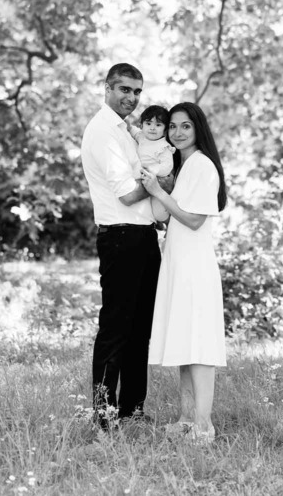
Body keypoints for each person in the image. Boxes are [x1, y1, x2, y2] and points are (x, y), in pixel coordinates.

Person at [80, 63, 163, 430]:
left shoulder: (128, 131)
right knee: (115, 329)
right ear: (107, 89)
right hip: (121, 236)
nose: (131, 97)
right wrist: (163, 180)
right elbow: (129, 193)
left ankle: (133, 410)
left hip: (143, 236)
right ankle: (104, 416)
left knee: (140, 329)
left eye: (136, 91)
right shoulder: (102, 131)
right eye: (124, 89)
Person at [140, 101, 228, 445]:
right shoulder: (185, 165)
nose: (177, 132)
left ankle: (204, 427)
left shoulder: (203, 166)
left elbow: (193, 219)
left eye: (185, 126)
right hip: (178, 262)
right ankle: (187, 419)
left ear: (198, 129)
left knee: (200, 348)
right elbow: (169, 215)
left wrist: (160, 193)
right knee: (185, 344)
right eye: (172, 126)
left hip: (195, 267)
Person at [132, 105, 175, 178]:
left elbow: (167, 166)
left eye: (158, 125)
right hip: (137, 173)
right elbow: (135, 132)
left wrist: (152, 169)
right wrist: (129, 127)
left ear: (165, 129)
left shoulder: (163, 147)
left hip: (152, 177)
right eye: (148, 124)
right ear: (141, 125)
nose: (152, 128)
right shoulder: (142, 136)